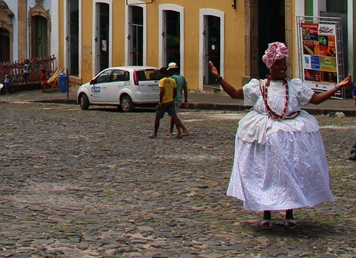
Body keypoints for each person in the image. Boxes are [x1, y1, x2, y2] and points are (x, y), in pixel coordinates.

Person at [209, 42, 352, 229]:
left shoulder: (294, 86)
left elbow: (315, 100)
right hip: (266, 138)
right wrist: (218, 78)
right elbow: (236, 94)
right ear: (270, 66)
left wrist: (337, 87)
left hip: (290, 138)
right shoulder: (259, 87)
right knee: (268, 174)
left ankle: (289, 212)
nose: (283, 68)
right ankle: (266, 211)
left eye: (284, 64)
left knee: (289, 174)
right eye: (279, 64)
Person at [149, 67, 187, 138]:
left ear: (161, 73)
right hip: (170, 101)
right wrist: (172, 97)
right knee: (174, 116)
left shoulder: (162, 81)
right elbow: (175, 91)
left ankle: (155, 133)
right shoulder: (172, 80)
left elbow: (162, 91)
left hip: (164, 101)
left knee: (157, 117)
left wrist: (160, 101)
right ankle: (179, 132)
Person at [168, 62, 189, 135]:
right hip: (179, 99)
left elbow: (171, 89)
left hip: (173, 99)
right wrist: (186, 100)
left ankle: (184, 129)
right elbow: (185, 90)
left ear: (172, 70)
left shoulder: (172, 78)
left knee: (174, 116)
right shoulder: (182, 78)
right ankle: (170, 131)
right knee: (173, 115)